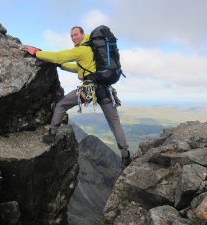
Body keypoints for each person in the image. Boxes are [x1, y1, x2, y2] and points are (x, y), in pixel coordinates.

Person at [26, 26, 131, 168]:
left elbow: (58, 56)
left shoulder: (82, 49)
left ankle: (51, 134)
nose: (73, 38)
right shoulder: (92, 50)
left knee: (62, 105)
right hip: (105, 90)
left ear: (83, 34)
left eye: (76, 35)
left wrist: (37, 53)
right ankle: (125, 155)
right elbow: (81, 68)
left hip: (89, 89)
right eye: (71, 36)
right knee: (114, 123)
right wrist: (63, 67)